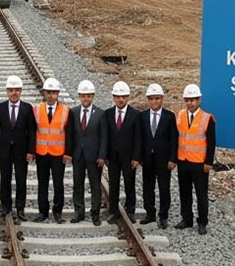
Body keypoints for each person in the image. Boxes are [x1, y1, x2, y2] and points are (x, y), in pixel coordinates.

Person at [0, 75, 35, 221]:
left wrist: (30, 151)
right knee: (5, 179)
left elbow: (31, 131)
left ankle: (20, 208)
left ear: (21, 91)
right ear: (7, 91)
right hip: (4, 150)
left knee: (21, 179)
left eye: (17, 90)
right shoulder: (1, 108)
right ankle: (6, 207)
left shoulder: (27, 108)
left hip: (21, 151)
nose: (14, 93)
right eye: (11, 90)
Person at [175, 84, 215, 235]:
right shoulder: (180, 116)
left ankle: (202, 222)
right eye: (187, 100)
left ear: (199, 100)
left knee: (201, 194)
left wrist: (208, 162)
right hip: (183, 161)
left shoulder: (207, 118)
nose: (190, 103)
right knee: (184, 192)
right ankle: (187, 219)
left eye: (193, 100)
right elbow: (177, 138)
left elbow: (211, 142)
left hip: (199, 163)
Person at [66, 80, 108, 225]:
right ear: (79, 96)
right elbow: (70, 134)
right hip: (78, 155)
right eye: (83, 96)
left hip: (94, 156)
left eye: (88, 96)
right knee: (78, 185)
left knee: (95, 185)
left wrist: (102, 155)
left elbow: (104, 136)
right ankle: (79, 212)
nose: (86, 99)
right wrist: (69, 153)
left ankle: (95, 214)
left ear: (93, 96)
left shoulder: (101, 114)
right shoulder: (74, 112)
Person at [139, 84, 178, 227]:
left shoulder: (169, 116)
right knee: (148, 187)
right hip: (147, 159)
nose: (154, 102)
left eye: (157, 98)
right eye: (151, 99)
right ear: (148, 100)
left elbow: (174, 139)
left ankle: (163, 215)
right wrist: (139, 157)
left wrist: (173, 159)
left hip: (164, 160)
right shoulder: (142, 116)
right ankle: (150, 213)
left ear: (162, 99)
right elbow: (140, 138)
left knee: (164, 187)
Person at [33, 77, 71, 223]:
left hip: (58, 154)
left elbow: (69, 134)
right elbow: (32, 131)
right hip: (42, 153)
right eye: (48, 92)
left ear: (58, 93)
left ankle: (57, 211)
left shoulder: (65, 111)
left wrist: (68, 152)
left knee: (58, 183)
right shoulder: (36, 109)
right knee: (42, 184)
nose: (51, 95)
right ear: (44, 93)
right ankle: (43, 212)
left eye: (54, 93)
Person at [105, 81, 142, 223]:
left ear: (128, 97)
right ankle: (113, 211)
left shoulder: (135, 115)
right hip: (113, 157)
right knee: (113, 184)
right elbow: (106, 136)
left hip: (129, 157)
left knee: (129, 182)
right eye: (118, 96)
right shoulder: (108, 114)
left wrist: (136, 157)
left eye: (124, 96)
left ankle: (130, 209)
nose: (121, 99)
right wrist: (106, 155)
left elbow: (138, 138)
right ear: (113, 97)